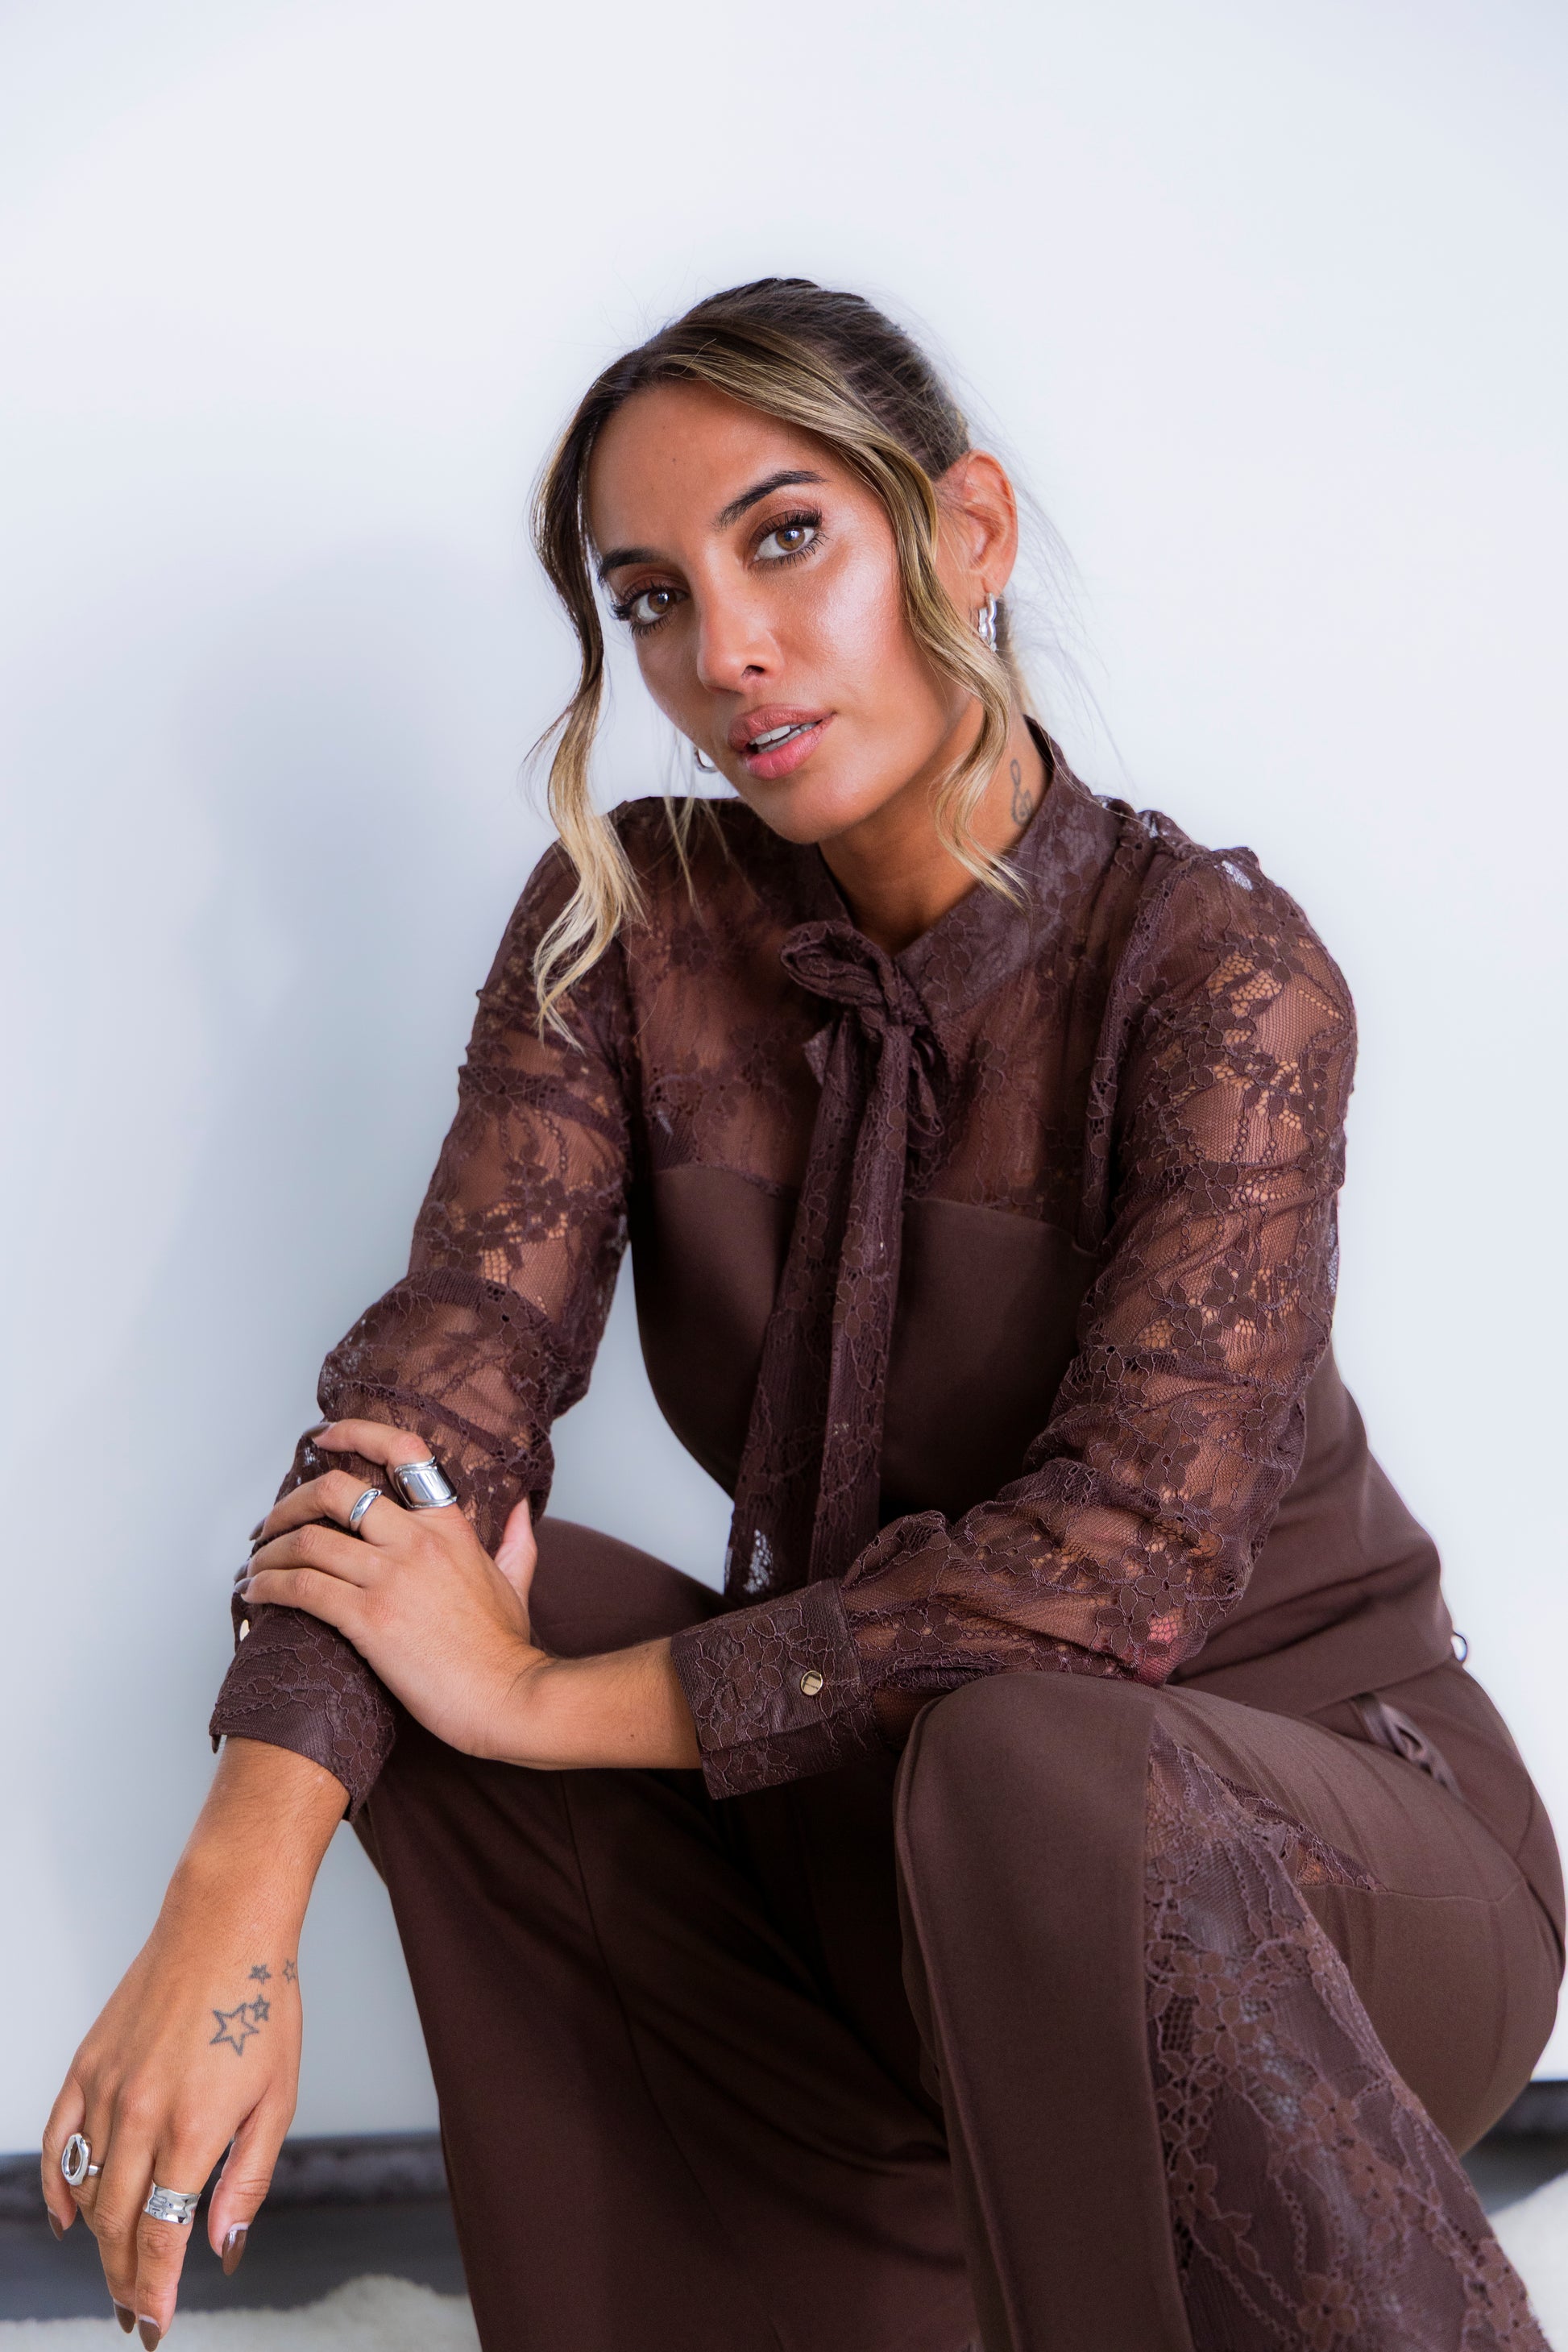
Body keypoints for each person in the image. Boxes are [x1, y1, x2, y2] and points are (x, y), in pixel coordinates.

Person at [43, 279, 1562, 2352]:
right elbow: (441, 1384)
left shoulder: (1217, 971)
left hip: (1326, 1882)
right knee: (454, 1599)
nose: (724, 651)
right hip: (900, 1839)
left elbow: (1104, 1580)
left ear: (966, 533)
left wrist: (540, 1699)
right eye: (652, 598)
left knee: (1010, 1748)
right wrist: (234, 1893)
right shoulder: (635, 927)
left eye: (784, 540)